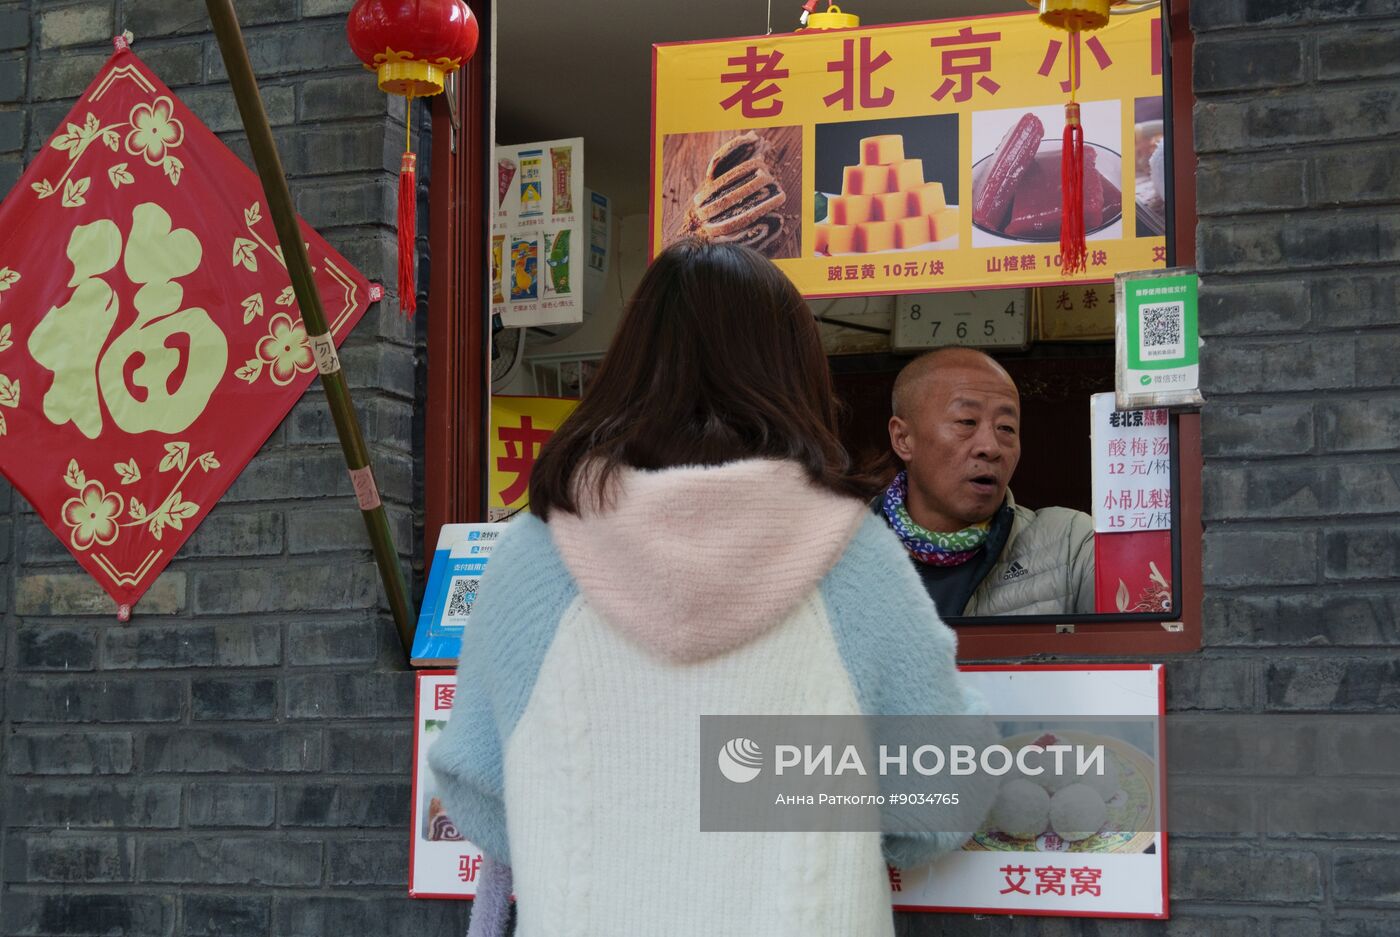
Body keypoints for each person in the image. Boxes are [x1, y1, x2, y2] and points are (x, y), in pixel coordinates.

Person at [429, 238, 992, 937]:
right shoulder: (854, 560)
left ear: (627, 367)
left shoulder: (531, 559)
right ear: (794, 373)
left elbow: (478, 788)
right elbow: (939, 796)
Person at [882, 347, 1095, 617]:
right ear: (903, 439)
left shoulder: (1071, 545)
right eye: (966, 422)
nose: (991, 447)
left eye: (1006, 428)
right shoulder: (840, 555)